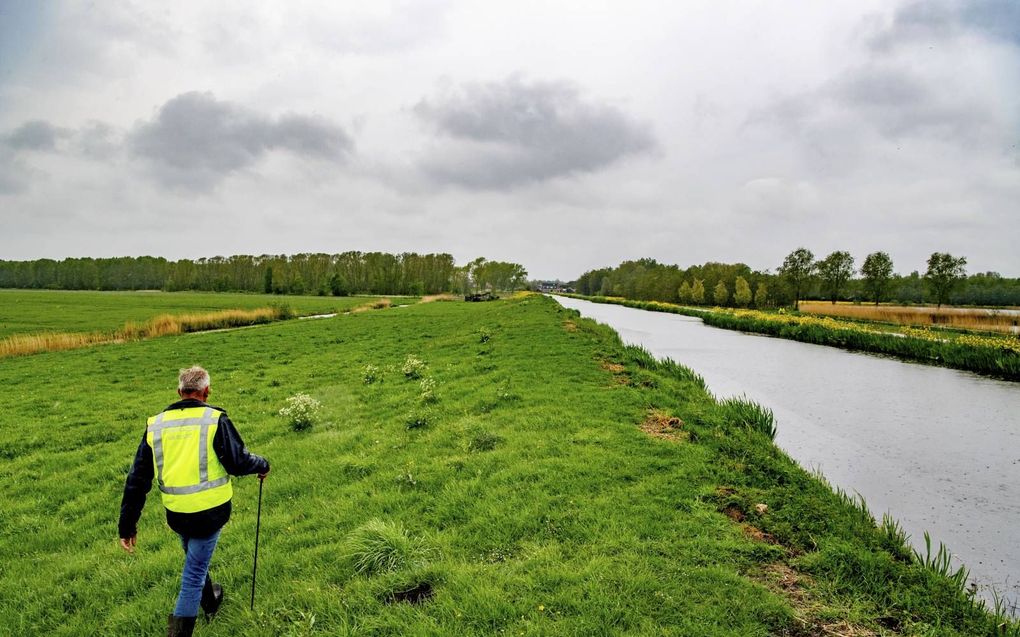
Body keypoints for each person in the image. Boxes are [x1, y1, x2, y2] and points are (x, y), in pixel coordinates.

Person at [119, 366, 270, 637]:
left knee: (194, 559)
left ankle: (211, 601)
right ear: (206, 391)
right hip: (210, 514)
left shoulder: (157, 424)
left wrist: (127, 525)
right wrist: (263, 464)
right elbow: (238, 462)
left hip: (177, 514)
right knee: (193, 573)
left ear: (179, 392)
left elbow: (137, 479)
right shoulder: (214, 419)